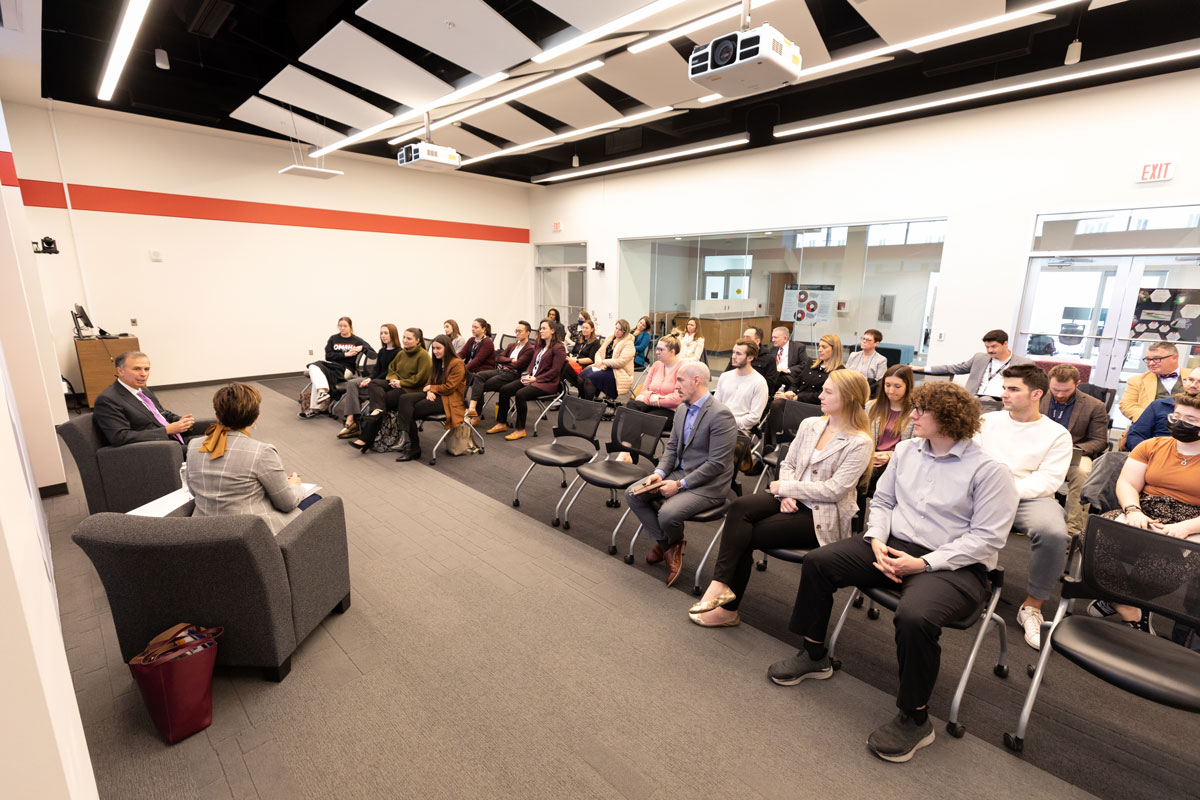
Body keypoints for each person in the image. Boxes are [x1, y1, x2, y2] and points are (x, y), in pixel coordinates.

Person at [766, 381, 1017, 764]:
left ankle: (916, 718)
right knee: (819, 562)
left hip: (955, 564)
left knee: (915, 616)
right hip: (892, 545)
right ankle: (814, 654)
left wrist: (924, 563)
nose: (911, 416)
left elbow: (986, 540)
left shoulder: (989, 471)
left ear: (948, 420)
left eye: (920, 411)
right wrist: (877, 538)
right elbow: (883, 501)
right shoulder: (906, 451)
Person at [689, 370, 874, 627]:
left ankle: (728, 609)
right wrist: (787, 491)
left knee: (746, 535)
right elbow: (788, 462)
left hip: (820, 514)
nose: (820, 395)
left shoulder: (859, 442)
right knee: (739, 508)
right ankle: (720, 585)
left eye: (828, 391)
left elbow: (834, 491)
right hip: (789, 494)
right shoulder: (812, 424)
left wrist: (789, 489)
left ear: (851, 398)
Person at [976, 364, 1073, 650]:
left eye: (1013, 389)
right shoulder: (987, 421)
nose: (1004, 394)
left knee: (1053, 533)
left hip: (1029, 497)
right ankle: (963, 581)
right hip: (983, 491)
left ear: (1036, 394)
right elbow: (970, 459)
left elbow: (1048, 481)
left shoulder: (1056, 434)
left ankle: (1032, 606)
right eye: (1004, 388)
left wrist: (1004, 493)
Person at [1092, 392, 1200, 632]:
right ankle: (1130, 609)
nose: (1179, 422)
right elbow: (1128, 483)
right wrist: (1133, 511)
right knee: (1091, 537)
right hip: (1144, 509)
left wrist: (1186, 527)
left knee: (1161, 568)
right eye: (1176, 415)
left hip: (1191, 521)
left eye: (1190, 420)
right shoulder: (1152, 445)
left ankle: (1116, 599)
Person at [625, 362, 737, 587]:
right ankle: (670, 546)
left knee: (667, 514)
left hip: (710, 485)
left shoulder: (721, 415)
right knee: (633, 494)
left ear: (697, 381)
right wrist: (659, 472)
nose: (675, 386)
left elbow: (716, 465)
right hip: (680, 473)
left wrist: (679, 485)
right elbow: (673, 448)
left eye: (680, 380)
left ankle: (668, 544)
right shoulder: (683, 408)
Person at [187, 383, 316, 535]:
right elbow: (287, 504)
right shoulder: (262, 452)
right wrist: (295, 485)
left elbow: (193, 490)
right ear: (255, 418)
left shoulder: (194, 445)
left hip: (203, 531)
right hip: (247, 535)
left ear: (217, 416)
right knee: (314, 499)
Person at [1041, 364, 1110, 536]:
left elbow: (1100, 441)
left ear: (1078, 383)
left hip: (1074, 453)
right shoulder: (1038, 397)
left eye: (1065, 391)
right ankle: (1046, 525)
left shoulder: (1094, 405)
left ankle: (1074, 532)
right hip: (1039, 452)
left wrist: (1074, 448)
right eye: (1055, 389)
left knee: (1082, 473)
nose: (1059, 394)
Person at [93, 351, 200, 447]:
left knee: (214, 440)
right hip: (156, 449)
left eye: (146, 369)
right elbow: (120, 437)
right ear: (120, 371)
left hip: (175, 441)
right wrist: (166, 430)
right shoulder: (108, 400)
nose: (143, 374)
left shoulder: (143, 390)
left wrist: (180, 421)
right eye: (136, 369)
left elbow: (161, 413)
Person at [351, 328, 431, 451]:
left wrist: (401, 383)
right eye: (404, 337)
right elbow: (392, 369)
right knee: (374, 383)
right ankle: (377, 410)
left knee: (384, 400)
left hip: (410, 389)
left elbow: (420, 379)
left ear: (418, 340)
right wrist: (394, 380)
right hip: (396, 383)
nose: (405, 340)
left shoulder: (423, 355)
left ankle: (365, 438)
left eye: (409, 338)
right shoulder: (402, 353)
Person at [488, 319, 567, 441]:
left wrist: (535, 378)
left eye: (544, 328)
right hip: (532, 379)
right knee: (505, 390)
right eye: (540, 328)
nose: (541, 331)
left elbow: (555, 371)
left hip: (547, 383)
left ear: (552, 330)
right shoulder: (541, 346)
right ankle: (501, 423)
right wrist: (526, 376)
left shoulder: (559, 347)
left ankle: (520, 430)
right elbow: (532, 364)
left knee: (520, 394)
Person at [392, 334, 467, 462]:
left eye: (439, 348)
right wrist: (429, 391)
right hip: (435, 394)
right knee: (405, 399)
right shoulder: (437, 362)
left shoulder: (457, 364)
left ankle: (411, 446)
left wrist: (432, 388)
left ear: (447, 348)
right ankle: (405, 438)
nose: (435, 351)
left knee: (410, 410)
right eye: (434, 348)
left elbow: (449, 387)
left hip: (449, 399)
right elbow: (428, 382)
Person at [765, 334, 845, 448]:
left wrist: (797, 397)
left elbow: (823, 396)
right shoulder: (811, 363)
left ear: (834, 349)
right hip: (797, 401)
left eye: (824, 347)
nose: (820, 350)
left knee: (778, 405)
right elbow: (796, 382)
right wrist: (791, 392)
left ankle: (778, 442)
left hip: (816, 407)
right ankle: (773, 444)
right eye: (819, 346)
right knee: (776, 402)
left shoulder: (839, 371)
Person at [913, 328, 1032, 399]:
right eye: (987, 347)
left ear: (1005, 344)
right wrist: (921, 369)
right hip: (973, 400)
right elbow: (953, 368)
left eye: (994, 346)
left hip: (1001, 404)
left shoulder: (1023, 363)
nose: (989, 350)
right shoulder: (979, 358)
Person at [334, 323, 401, 440]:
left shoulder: (399, 352)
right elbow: (376, 369)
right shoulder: (382, 351)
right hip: (375, 380)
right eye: (381, 333)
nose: (383, 336)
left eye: (386, 333)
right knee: (352, 383)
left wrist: (372, 380)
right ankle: (351, 421)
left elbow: (389, 373)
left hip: (384, 384)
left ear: (393, 335)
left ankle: (350, 423)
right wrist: (369, 378)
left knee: (354, 392)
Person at [302, 316, 375, 418]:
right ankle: (322, 392)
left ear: (350, 327)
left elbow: (372, 353)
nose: (342, 328)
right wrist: (345, 355)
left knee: (318, 377)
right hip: (332, 366)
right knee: (313, 366)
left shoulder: (357, 340)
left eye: (345, 326)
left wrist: (362, 347)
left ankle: (315, 409)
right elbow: (328, 356)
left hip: (346, 369)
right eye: (340, 326)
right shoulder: (333, 339)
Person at [464, 321, 534, 424]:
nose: (517, 333)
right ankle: (472, 408)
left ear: (528, 333)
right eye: (516, 331)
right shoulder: (512, 345)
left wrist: (507, 361)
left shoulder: (529, 349)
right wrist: (511, 360)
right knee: (478, 376)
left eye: (520, 331)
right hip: (502, 370)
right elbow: (498, 358)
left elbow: (518, 365)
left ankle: (476, 417)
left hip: (513, 375)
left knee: (479, 385)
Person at [866, 364, 915, 493]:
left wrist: (890, 455)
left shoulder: (915, 411)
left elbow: (915, 446)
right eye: (888, 385)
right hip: (871, 456)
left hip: (898, 461)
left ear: (908, 386)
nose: (891, 391)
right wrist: (870, 454)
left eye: (897, 386)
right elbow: (862, 435)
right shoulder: (871, 406)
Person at [1119, 341, 1193, 423]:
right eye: (1148, 359)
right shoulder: (1137, 380)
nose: (1151, 363)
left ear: (1174, 358)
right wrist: (1151, 418)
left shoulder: (1194, 376)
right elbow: (1126, 405)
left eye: (1157, 359)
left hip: (1187, 426)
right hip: (1150, 428)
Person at [1127, 372, 1200, 449]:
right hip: (1154, 452)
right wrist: (1146, 454)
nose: (1193, 385)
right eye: (1191, 380)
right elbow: (1136, 434)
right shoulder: (1159, 405)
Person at [626, 335, 683, 428]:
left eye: (661, 350)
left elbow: (677, 399)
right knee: (632, 406)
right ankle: (627, 443)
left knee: (641, 419)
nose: (657, 352)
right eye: (657, 349)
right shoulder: (656, 365)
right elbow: (644, 390)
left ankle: (627, 442)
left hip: (670, 410)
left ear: (672, 352)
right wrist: (652, 397)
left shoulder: (683, 369)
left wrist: (657, 399)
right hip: (651, 404)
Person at [715, 338, 770, 434]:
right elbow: (715, 405)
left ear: (750, 358)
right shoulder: (725, 376)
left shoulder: (759, 382)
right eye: (733, 352)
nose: (733, 356)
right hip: (718, 424)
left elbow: (754, 417)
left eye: (738, 354)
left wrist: (727, 423)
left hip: (740, 429)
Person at [579, 319, 635, 401]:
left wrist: (604, 362)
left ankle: (589, 405)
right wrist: (598, 362)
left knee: (590, 379)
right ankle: (585, 401)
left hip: (618, 371)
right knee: (581, 377)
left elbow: (621, 362)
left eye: (620, 330)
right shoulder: (610, 338)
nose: (617, 331)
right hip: (603, 366)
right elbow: (599, 352)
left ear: (625, 331)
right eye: (616, 328)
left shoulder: (628, 343)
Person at [563, 318, 601, 391]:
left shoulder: (595, 342)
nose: (584, 330)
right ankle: (561, 389)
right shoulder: (580, 339)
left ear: (592, 329)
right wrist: (567, 353)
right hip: (575, 362)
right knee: (562, 362)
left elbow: (591, 360)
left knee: (566, 365)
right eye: (583, 328)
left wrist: (576, 360)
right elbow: (573, 353)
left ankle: (581, 390)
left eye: (586, 328)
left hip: (585, 366)